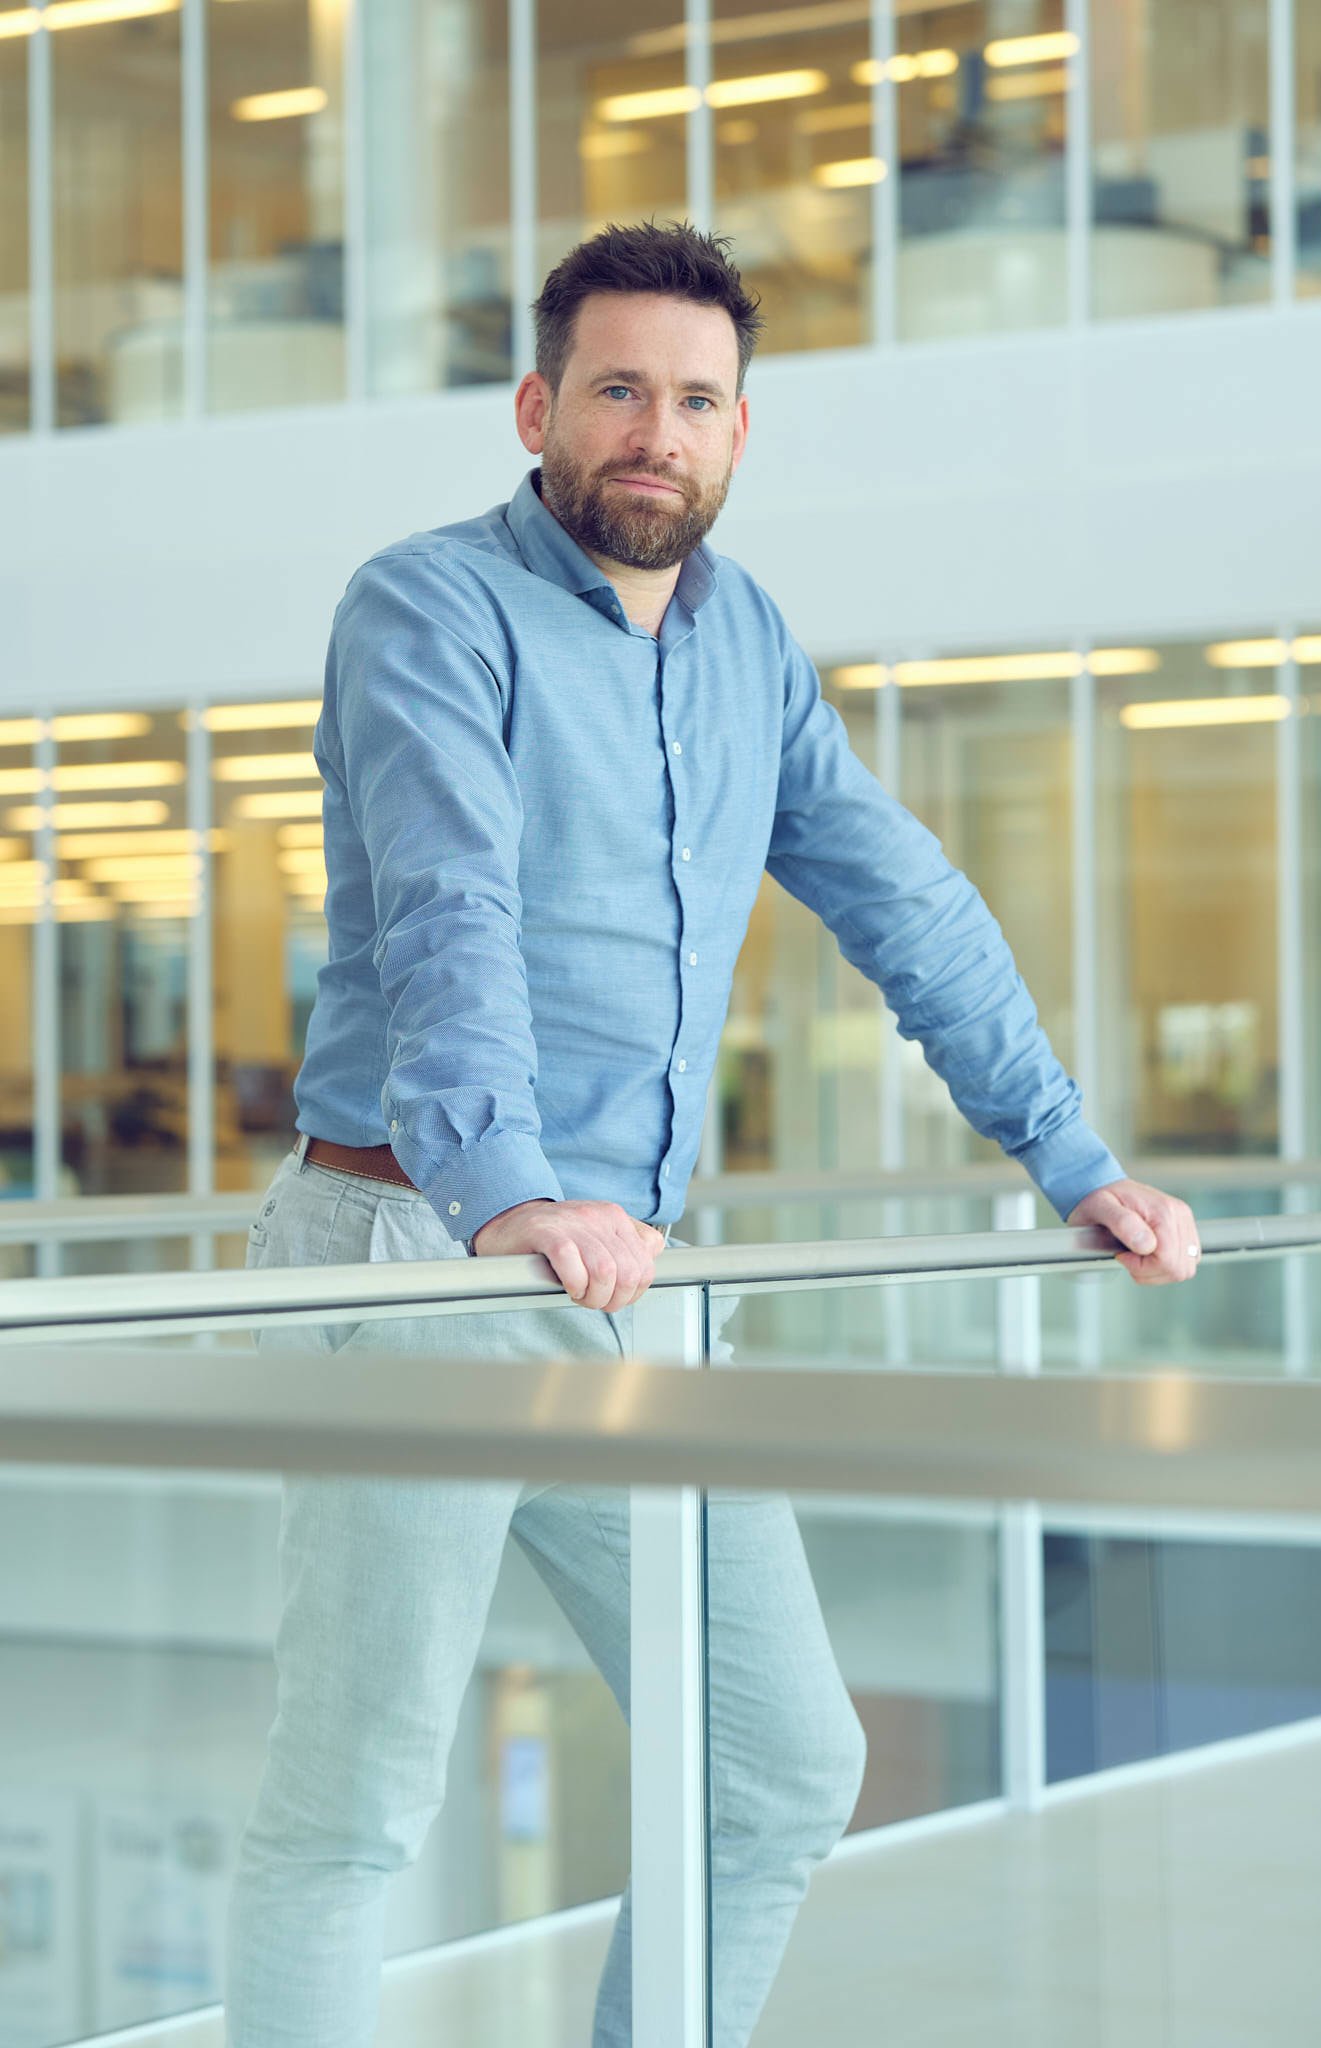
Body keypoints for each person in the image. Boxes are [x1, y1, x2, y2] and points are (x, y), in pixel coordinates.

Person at [225, 220, 1200, 2047]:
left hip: (631, 1290)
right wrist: (508, 1184)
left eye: (693, 400)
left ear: (739, 432)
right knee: (355, 1804)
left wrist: (1071, 1157)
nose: (651, 431)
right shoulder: (426, 605)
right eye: (614, 391)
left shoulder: (746, 641)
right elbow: (450, 906)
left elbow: (902, 903)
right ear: (538, 408)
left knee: (779, 1766)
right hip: (418, 1257)